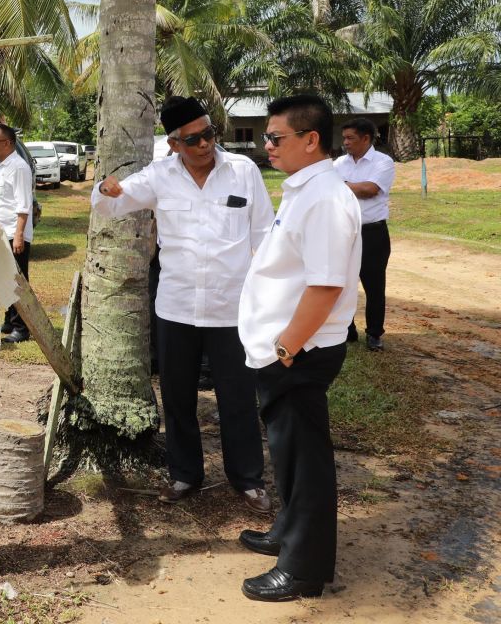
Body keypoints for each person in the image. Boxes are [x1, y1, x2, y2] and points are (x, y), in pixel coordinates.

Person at [92, 97, 273, 514]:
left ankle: (247, 479)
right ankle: (185, 474)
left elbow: (264, 236)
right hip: (176, 310)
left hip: (232, 309)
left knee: (239, 398)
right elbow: (111, 203)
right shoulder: (159, 176)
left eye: (210, 133)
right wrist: (105, 188)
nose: (206, 144)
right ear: (174, 144)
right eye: (194, 139)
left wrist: (265, 299)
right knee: (177, 397)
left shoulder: (243, 172)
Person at [237, 95, 362, 602]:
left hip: (299, 352)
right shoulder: (305, 190)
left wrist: (288, 345)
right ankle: (288, 531)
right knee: (288, 455)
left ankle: (305, 568)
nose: (266, 146)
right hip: (285, 349)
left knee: (305, 459)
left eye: (275, 138)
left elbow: (326, 285)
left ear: (311, 140)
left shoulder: (327, 197)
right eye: (265, 137)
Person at [334, 118, 394, 351]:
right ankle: (346, 330)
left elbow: (370, 190)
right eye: (344, 138)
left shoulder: (383, 162)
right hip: (344, 232)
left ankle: (374, 334)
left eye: (350, 138)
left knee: (374, 286)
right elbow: (326, 186)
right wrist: (350, 184)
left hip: (373, 233)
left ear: (366, 139)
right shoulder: (339, 163)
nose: (345, 143)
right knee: (342, 283)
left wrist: (340, 184)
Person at [0, 123, 34, 343]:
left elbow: (24, 205)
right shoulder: (0, 166)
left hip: (15, 234)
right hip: (1, 232)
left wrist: (20, 235)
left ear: (8, 143)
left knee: (17, 281)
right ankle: (8, 321)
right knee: (3, 279)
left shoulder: (19, 167)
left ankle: (22, 328)